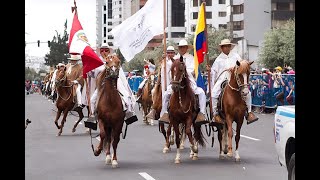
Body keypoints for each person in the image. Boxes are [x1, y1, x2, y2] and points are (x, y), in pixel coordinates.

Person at [208, 39, 258, 125]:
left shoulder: (236, 56)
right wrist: (210, 70)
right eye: (225, 46)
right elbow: (214, 72)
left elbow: (242, 65)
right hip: (223, 79)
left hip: (235, 79)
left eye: (228, 46)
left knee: (248, 93)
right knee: (214, 93)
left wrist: (234, 69)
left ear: (230, 47)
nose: (227, 48)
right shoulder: (218, 59)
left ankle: (249, 113)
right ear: (222, 48)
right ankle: (215, 114)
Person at [159, 39, 208, 125]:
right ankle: (164, 113)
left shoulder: (192, 58)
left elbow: (193, 69)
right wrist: (164, 63)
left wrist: (183, 71)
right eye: (181, 47)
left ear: (187, 48)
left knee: (201, 93)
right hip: (176, 81)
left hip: (189, 81)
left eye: (184, 47)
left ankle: (202, 113)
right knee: (166, 94)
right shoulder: (174, 59)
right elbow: (169, 70)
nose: (182, 49)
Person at [87, 43, 138, 124]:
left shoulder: (114, 59)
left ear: (109, 51)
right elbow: (93, 74)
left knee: (126, 96)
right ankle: (93, 116)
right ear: (100, 52)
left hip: (116, 82)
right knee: (93, 99)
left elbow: (118, 69)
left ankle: (129, 112)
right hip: (102, 84)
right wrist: (88, 68)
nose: (104, 52)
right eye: (102, 50)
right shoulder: (97, 62)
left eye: (106, 50)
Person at [146, 45, 175, 119]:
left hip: (173, 83)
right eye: (168, 53)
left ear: (174, 53)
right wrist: (157, 83)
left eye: (171, 53)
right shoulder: (163, 62)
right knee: (153, 92)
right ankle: (154, 109)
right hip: (162, 82)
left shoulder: (175, 61)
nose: (170, 54)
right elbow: (160, 73)